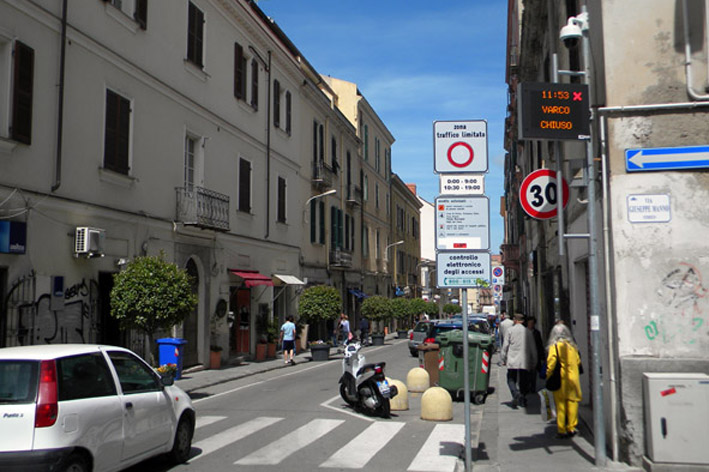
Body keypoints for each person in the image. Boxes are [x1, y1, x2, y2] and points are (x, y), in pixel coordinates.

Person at [546, 323, 583, 438]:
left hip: (561, 379)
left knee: (560, 404)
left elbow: (551, 363)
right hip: (573, 379)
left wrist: (548, 375)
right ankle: (571, 427)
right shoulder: (573, 347)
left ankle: (561, 429)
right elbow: (578, 361)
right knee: (572, 402)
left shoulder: (555, 347)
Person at [501, 312, 537, 408]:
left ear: (515, 320)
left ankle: (515, 393)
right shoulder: (528, 332)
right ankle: (523, 397)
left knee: (511, 378)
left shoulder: (510, 331)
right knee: (524, 380)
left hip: (512, 359)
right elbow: (532, 347)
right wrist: (534, 361)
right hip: (524, 360)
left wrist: (503, 358)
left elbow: (505, 346)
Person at [526, 317, 545, 393]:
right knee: (527, 373)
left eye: (532, 323)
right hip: (526, 355)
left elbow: (540, 345)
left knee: (533, 372)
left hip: (535, 355)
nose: (531, 325)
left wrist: (542, 356)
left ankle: (532, 387)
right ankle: (527, 386)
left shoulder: (537, 333)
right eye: (530, 323)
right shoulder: (524, 332)